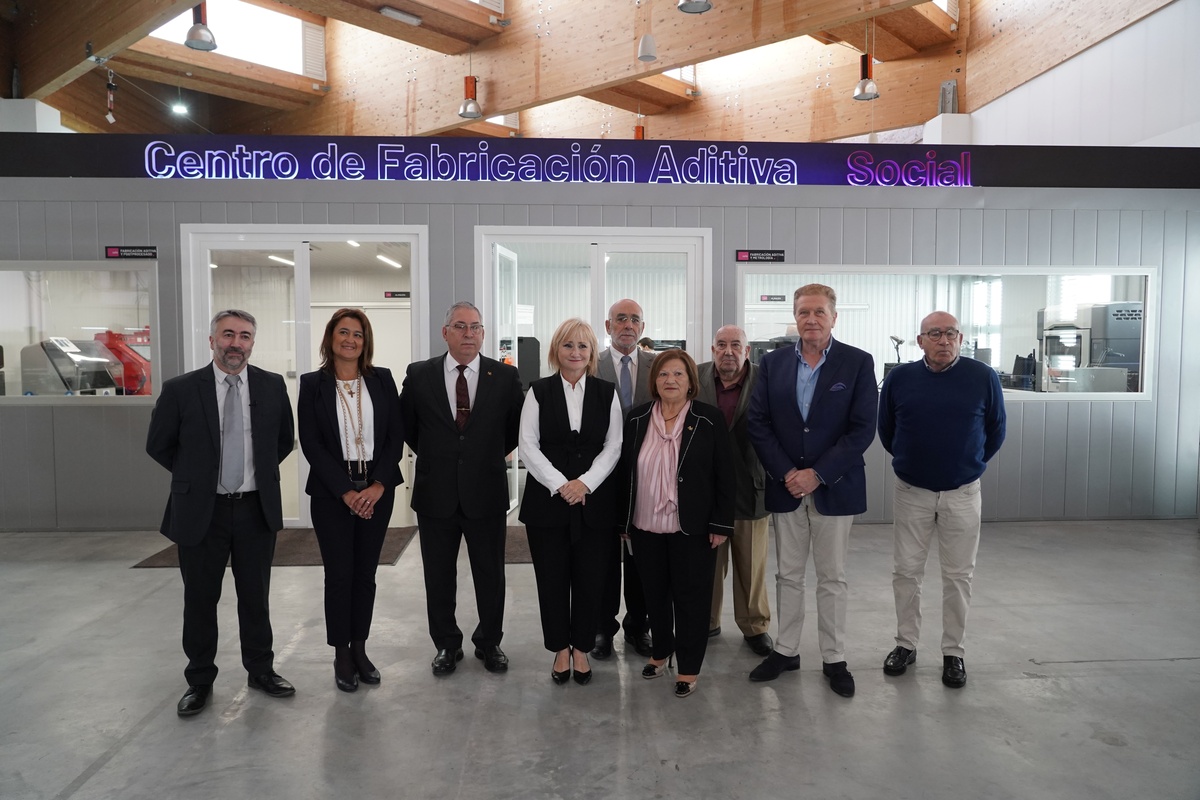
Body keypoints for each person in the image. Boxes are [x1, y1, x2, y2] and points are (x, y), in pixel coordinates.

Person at [146, 309, 296, 717]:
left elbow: (283, 440)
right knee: (200, 599)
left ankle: (261, 671)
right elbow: (159, 445)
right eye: (228, 334)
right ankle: (199, 679)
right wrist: (196, 479)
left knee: (255, 597)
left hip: (253, 509)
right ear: (212, 340)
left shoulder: (270, 385)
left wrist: (251, 477)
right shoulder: (182, 389)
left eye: (245, 336)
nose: (236, 343)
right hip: (201, 511)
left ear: (252, 343)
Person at [746, 284, 877, 698]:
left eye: (819, 312)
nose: (811, 320)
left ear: (834, 317)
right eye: (804, 312)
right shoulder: (773, 363)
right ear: (796, 317)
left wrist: (817, 474)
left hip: (833, 488)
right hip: (787, 487)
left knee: (832, 577)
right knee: (787, 574)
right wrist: (789, 472)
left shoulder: (857, 363)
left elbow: (861, 430)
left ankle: (834, 657)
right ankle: (785, 650)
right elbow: (758, 422)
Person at [878, 311, 1006, 689]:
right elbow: (887, 431)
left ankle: (954, 652)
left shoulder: (983, 377)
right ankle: (906, 644)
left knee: (958, 576)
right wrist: (911, 461)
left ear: (961, 338)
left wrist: (970, 464)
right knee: (906, 573)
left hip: (963, 493)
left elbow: (996, 430)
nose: (944, 340)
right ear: (920, 341)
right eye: (935, 334)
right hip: (912, 491)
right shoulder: (900, 380)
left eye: (951, 333)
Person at [399, 301, 523, 677]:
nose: (468, 333)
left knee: (491, 573)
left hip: (485, 492)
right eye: (460, 326)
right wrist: (445, 456)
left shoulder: (503, 377)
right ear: (445, 332)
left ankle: (490, 642)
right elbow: (408, 428)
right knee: (438, 575)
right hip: (435, 494)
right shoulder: (419, 375)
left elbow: (515, 429)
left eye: (475, 327)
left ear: (483, 334)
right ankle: (446, 645)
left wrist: (481, 457)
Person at [298, 308, 405, 693]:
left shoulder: (382, 380)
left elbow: (396, 435)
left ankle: (360, 647)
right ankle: (341, 652)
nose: (350, 340)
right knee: (339, 574)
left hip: (377, 491)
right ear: (330, 338)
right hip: (332, 495)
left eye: (357, 334)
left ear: (365, 341)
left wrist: (377, 486)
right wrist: (346, 491)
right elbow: (311, 443)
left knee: (366, 574)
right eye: (343, 333)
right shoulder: (313, 384)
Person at [619, 349, 734, 698]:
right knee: (654, 594)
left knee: (692, 598)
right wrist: (622, 520)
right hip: (644, 524)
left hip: (694, 527)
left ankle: (688, 665)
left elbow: (725, 476)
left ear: (690, 383)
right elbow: (624, 473)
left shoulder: (709, 419)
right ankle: (660, 651)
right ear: (654, 381)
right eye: (663, 374)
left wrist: (720, 524)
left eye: (678, 374)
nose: (670, 380)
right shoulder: (637, 418)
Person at [518, 318, 623, 685]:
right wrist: (563, 485)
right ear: (556, 351)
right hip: (548, 504)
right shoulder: (538, 391)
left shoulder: (606, 392)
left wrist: (586, 484)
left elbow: (614, 446)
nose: (575, 353)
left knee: (591, 579)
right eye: (568, 345)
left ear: (592, 352)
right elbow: (527, 446)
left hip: (594, 504)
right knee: (551, 579)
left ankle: (581, 649)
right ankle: (560, 650)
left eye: (582, 346)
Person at [696, 325, 773, 657]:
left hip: (749, 484)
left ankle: (755, 626)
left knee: (750, 562)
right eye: (721, 345)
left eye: (735, 345)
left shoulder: (764, 379)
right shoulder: (694, 376)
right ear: (713, 349)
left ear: (747, 349)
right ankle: (706, 619)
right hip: (703, 487)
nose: (728, 351)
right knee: (706, 562)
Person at [592, 298, 654, 659]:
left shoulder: (657, 365)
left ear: (642, 328)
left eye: (635, 319)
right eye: (620, 319)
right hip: (601, 475)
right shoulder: (589, 363)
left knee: (640, 556)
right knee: (602, 556)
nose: (627, 325)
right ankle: (603, 628)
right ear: (608, 325)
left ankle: (638, 627)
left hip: (645, 477)